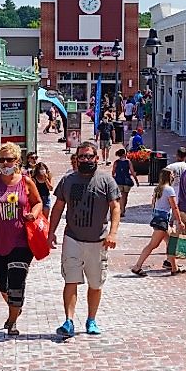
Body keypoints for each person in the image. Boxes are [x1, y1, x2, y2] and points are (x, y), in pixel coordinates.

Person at [48, 142, 121, 337]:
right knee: (70, 280)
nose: (86, 160)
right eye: (82, 157)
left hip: (98, 241)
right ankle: (69, 321)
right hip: (73, 238)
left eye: (90, 157)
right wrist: (50, 231)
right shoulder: (68, 181)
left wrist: (113, 233)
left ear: (97, 158)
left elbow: (115, 208)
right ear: (76, 159)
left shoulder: (106, 181)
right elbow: (58, 207)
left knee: (95, 283)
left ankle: (91, 319)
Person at [0, 143, 43, 336]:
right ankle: (16, 306)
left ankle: (12, 320)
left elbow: (37, 202)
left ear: (17, 161)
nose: (5, 163)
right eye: (1, 160)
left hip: (21, 241)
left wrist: (33, 213)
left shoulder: (26, 182)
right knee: (3, 285)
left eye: (9, 159)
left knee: (16, 282)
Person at [132, 167, 183, 276]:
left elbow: (153, 203)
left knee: (171, 244)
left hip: (158, 218)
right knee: (152, 245)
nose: (174, 176)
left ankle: (174, 267)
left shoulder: (158, 188)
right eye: (172, 175)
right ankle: (137, 266)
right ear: (169, 176)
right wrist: (180, 221)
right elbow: (174, 207)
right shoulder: (169, 189)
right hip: (162, 221)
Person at [112, 147, 136, 215]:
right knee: (125, 196)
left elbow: (113, 172)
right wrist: (136, 180)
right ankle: (123, 209)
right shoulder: (128, 162)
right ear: (124, 154)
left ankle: (121, 209)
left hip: (118, 181)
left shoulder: (116, 162)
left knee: (120, 197)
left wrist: (113, 178)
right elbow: (132, 172)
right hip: (126, 181)